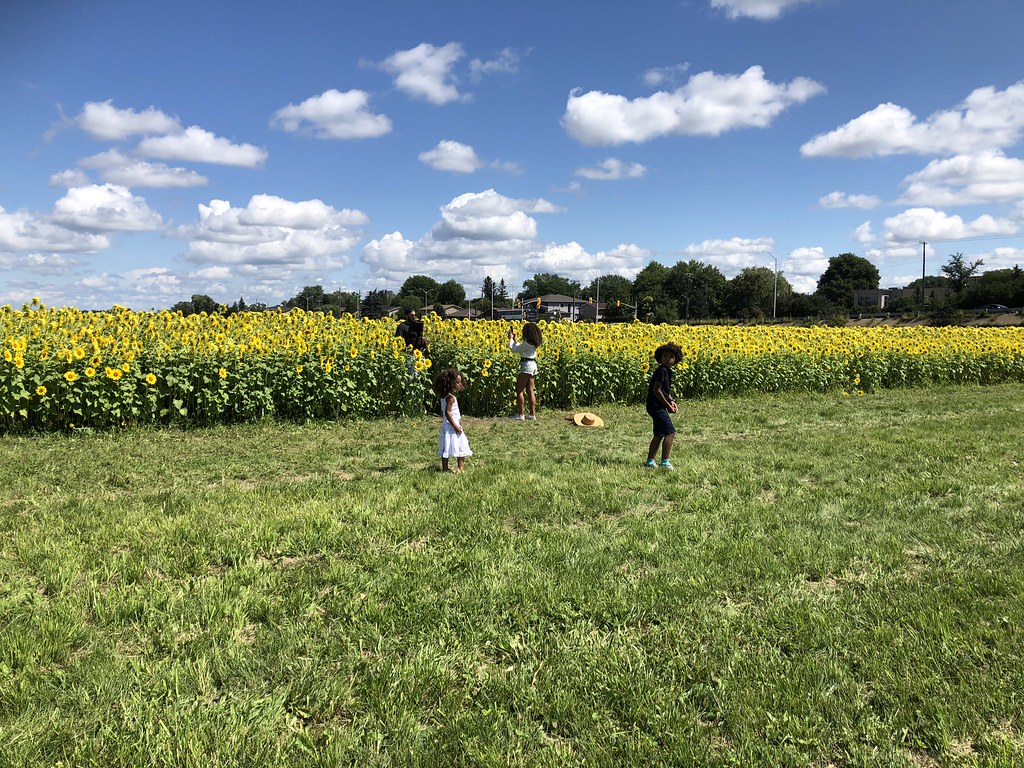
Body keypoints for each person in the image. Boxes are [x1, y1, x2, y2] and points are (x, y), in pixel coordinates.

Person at [645, 342, 682, 470]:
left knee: (659, 433)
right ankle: (665, 463)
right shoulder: (662, 371)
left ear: (676, 359)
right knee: (670, 432)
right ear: (660, 357)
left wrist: (672, 401)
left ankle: (650, 462)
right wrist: (668, 406)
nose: (668, 359)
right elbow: (657, 390)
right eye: (665, 356)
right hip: (656, 406)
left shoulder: (666, 371)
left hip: (655, 405)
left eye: (671, 356)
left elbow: (665, 391)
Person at [435, 368, 472, 474]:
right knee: (461, 445)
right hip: (452, 425)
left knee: (446, 446)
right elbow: (448, 413)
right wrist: (456, 426)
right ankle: (460, 468)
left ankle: (445, 468)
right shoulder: (451, 398)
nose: (460, 384)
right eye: (458, 382)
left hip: (446, 426)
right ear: (450, 384)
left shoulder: (444, 396)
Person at [508, 321, 543, 420]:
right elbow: (521, 347)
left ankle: (521, 414)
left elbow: (514, 350)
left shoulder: (527, 344)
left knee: (519, 390)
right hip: (532, 366)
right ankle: (532, 414)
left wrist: (511, 339)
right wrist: (515, 340)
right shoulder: (533, 344)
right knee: (530, 391)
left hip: (526, 366)